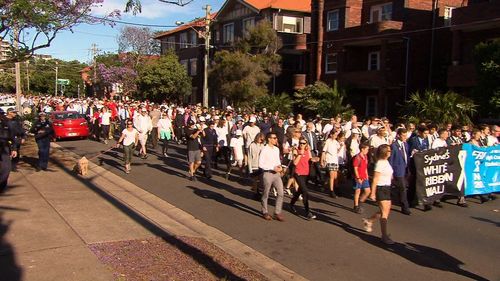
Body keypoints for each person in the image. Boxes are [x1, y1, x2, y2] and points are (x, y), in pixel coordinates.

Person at [362, 144, 395, 245]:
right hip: (381, 188)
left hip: (387, 187)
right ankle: (384, 236)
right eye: (388, 151)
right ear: (384, 152)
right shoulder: (380, 163)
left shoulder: (386, 162)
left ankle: (369, 220)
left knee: (385, 211)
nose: (390, 152)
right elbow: (375, 179)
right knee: (384, 213)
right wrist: (373, 192)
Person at [289, 137, 318, 220]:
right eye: (300, 143)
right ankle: (307, 212)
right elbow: (294, 163)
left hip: (306, 173)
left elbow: (309, 160)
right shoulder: (296, 150)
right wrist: (300, 154)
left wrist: (314, 159)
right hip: (298, 173)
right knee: (305, 191)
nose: (301, 145)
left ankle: (291, 204)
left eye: (303, 143)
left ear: (306, 144)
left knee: (300, 191)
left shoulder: (307, 150)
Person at [259, 132, 285, 221]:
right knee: (266, 193)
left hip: (277, 174)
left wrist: (280, 167)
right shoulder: (264, 149)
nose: (276, 139)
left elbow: (278, 161)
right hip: (268, 173)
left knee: (281, 193)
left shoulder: (276, 149)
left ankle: (277, 212)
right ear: (269, 139)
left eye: (276, 138)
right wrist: (272, 168)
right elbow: (261, 164)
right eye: (274, 138)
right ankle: (264, 211)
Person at [389, 128, 412, 215]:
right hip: (398, 169)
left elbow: (406, 155)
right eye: (403, 135)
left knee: (402, 187)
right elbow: (391, 159)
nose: (405, 137)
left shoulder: (405, 144)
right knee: (402, 188)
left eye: (406, 135)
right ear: (398, 135)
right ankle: (405, 207)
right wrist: (391, 171)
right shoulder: (394, 146)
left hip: (405, 168)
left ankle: (392, 195)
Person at [321, 130, 341, 198]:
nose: (335, 136)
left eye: (336, 135)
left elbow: (337, 150)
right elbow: (324, 151)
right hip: (329, 160)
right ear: (331, 135)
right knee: (332, 176)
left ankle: (333, 187)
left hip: (335, 160)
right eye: (334, 135)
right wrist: (322, 160)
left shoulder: (336, 142)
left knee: (335, 176)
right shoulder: (328, 141)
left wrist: (340, 146)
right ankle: (331, 191)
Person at [0, 110, 17, 193]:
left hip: (4, 147)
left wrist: (14, 149)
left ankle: (2, 186)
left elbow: (12, 137)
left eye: (2, 114)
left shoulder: (7, 124)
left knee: (6, 168)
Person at [352, 142, 371, 214]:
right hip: (358, 177)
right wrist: (358, 177)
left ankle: (361, 201)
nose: (367, 151)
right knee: (357, 191)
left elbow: (365, 167)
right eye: (367, 149)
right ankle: (356, 206)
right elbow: (355, 168)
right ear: (362, 149)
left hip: (364, 176)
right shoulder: (357, 157)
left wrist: (366, 175)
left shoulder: (365, 157)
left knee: (367, 191)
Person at [248, 133, 265, 199]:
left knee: (261, 180)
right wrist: (250, 169)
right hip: (254, 165)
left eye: (262, 139)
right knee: (255, 180)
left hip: (261, 165)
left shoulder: (263, 146)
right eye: (260, 138)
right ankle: (255, 193)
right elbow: (249, 157)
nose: (261, 140)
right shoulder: (252, 145)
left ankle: (259, 191)